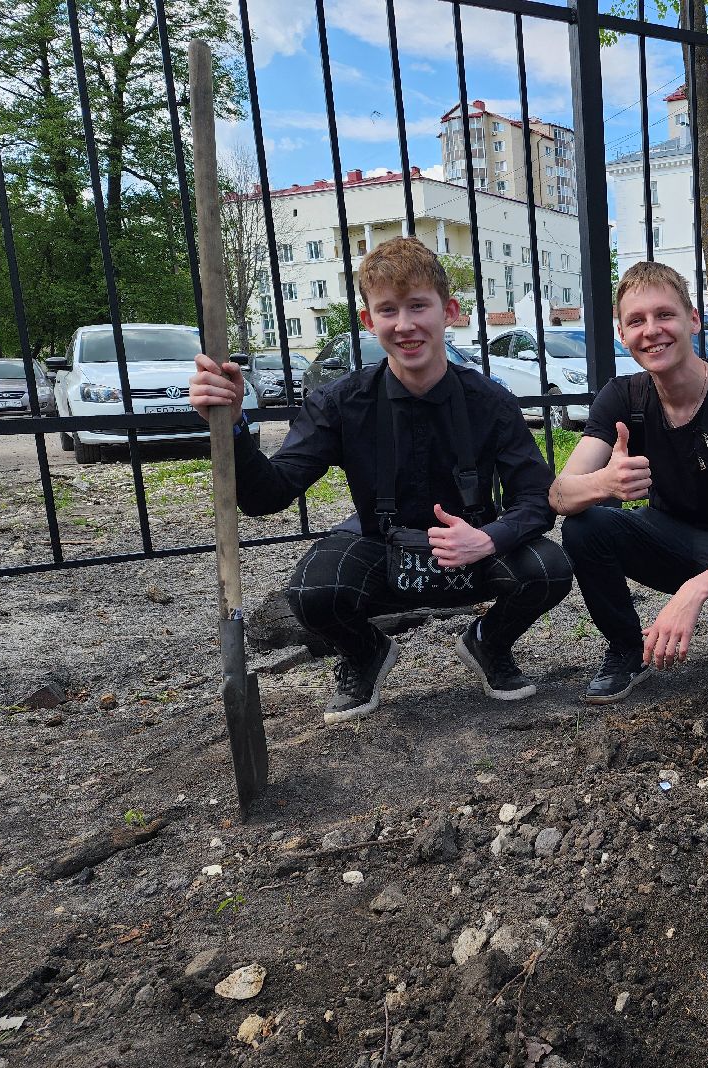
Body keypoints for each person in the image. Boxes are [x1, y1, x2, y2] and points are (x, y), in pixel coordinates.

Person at [189, 236, 571, 720]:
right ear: (369, 321)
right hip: (379, 543)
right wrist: (234, 426)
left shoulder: (491, 402)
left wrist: (488, 539)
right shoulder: (339, 402)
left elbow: (535, 498)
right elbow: (269, 495)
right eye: (388, 310)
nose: (405, 325)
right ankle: (366, 653)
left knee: (550, 569)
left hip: (472, 546)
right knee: (312, 591)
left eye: (418, 306)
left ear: (448, 311)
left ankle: (487, 643)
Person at [550, 261, 708, 704]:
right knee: (585, 526)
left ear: (693, 320)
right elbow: (559, 494)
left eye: (665, 315)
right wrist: (605, 483)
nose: (652, 331)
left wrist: (692, 592)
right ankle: (627, 649)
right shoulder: (622, 397)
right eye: (636, 321)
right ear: (622, 334)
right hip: (668, 536)